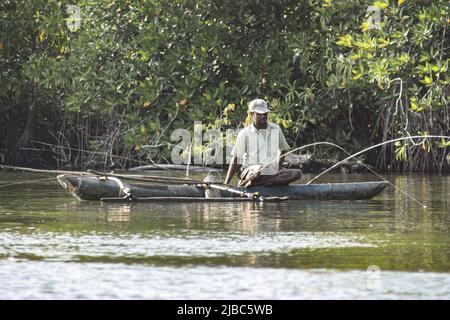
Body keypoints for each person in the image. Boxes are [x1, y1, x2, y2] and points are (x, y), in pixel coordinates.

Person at [224, 99, 302, 187]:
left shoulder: (276, 129)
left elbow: (283, 150)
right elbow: (236, 158)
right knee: (260, 170)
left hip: (270, 171)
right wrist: (226, 183)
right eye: (259, 114)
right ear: (251, 115)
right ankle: (266, 182)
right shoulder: (244, 133)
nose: (263, 116)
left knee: (297, 173)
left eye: (265, 114)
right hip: (250, 170)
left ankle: (261, 183)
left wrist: (277, 166)